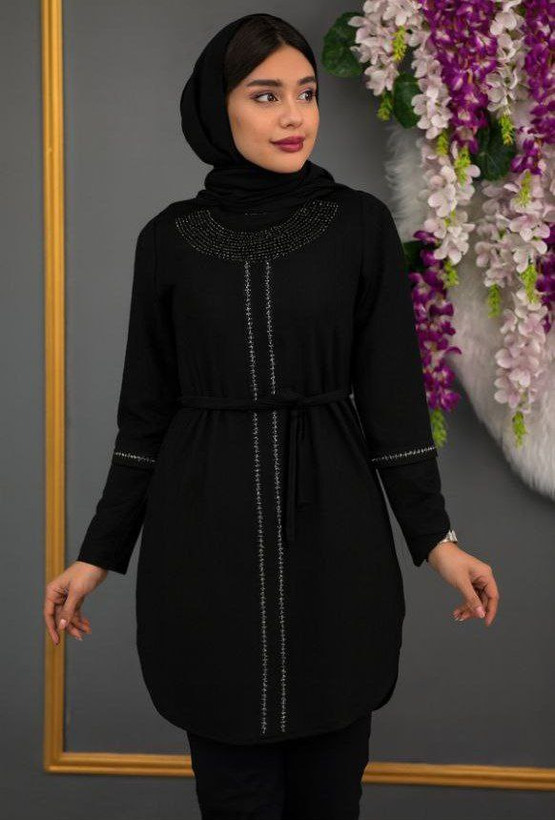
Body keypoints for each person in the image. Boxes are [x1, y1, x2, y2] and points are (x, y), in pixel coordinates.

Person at [43, 12, 500, 819]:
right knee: (234, 794)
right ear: (217, 107)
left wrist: (437, 541)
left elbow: (393, 407)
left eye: (305, 93)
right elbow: (143, 420)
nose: (294, 116)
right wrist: (97, 556)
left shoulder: (357, 226)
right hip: (201, 542)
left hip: (336, 538)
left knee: (330, 792)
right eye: (265, 95)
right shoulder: (168, 241)